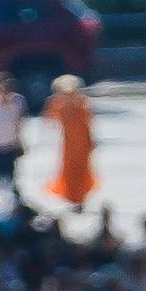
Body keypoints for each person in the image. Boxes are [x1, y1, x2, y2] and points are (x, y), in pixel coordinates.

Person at [41, 74, 95, 211]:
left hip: (82, 143)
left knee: (82, 171)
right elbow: (48, 118)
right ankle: (72, 198)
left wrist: (91, 142)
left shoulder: (82, 104)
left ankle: (80, 198)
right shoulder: (59, 104)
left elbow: (88, 124)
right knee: (68, 171)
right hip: (68, 144)